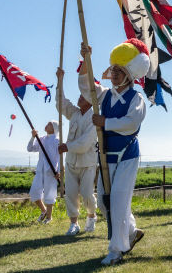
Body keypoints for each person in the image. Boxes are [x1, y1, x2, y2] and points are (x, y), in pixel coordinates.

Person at [80, 39, 149, 266]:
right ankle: (130, 232)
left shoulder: (136, 97)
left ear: (129, 73)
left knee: (118, 200)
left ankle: (116, 251)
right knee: (104, 201)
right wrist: (86, 61)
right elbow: (85, 88)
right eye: (113, 70)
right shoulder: (104, 95)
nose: (115, 73)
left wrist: (105, 122)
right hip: (106, 156)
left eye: (120, 70)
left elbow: (132, 123)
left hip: (127, 155)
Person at [56, 70, 98, 236]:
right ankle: (74, 223)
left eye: (83, 96)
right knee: (71, 194)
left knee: (87, 193)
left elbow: (85, 142)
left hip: (87, 162)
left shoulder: (94, 117)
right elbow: (61, 103)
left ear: (90, 100)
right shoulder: (74, 113)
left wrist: (67, 146)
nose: (79, 98)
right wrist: (60, 81)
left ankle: (91, 215)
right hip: (72, 161)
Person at [27, 122, 60, 224]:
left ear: (54, 128)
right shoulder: (41, 138)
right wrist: (33, 137)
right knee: (34, 192)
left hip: (51, 171)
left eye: (49, 124)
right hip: (40, 169)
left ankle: (49, 218)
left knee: (50, 194)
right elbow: (30, 148)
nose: (46, 124)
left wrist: (59, 172)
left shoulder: (57, 141)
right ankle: (44, 210)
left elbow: (61, 157)